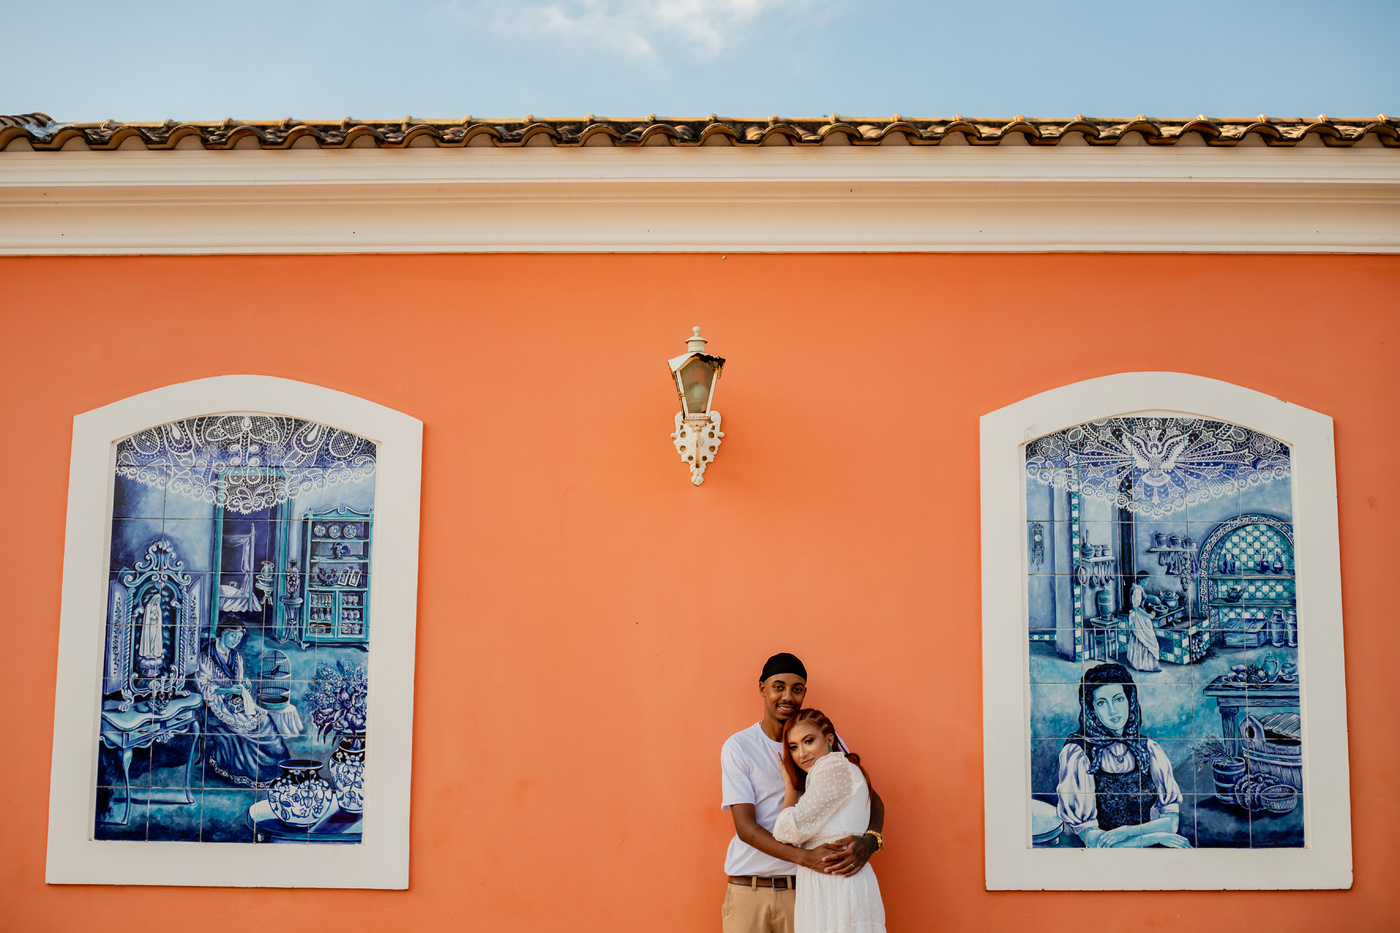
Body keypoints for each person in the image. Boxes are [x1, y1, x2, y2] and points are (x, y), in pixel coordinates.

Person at [720, 653, 884, 933]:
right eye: (778, 687)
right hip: (751, 888)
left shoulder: (822, 740)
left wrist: (871, 840)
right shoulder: (740, 746)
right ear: (762, 688)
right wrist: (806, 858)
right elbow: (745, 828)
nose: (787, 696)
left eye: (796, 689)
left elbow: (869, 796)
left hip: (806, 890)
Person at [774, 709, 886, 933]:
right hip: (833, 886)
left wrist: (789, 789)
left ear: (829, 739)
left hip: (838, 886)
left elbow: (786, 830)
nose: (802, 753)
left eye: (808, 741)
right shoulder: (840, 770)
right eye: (793, 747)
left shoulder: (832, 767)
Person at [1056, 662, 1190, 848]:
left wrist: (1127, 831)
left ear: (1130, 700)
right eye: (1102, 703)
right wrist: (1155, 837)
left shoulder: (1149, 749)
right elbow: (1095, 842)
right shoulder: (1078, 754)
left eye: (1118, 699)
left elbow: (1171, 822)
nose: (1112, 710)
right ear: (1091, 709)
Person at [195, 616, 291, 787]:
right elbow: (204, 687)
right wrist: (228, 690)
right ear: (223, 633)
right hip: (213, 704)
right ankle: (250, 771)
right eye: (233, 636)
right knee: (241, 731)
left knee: (265, 721)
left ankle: (276, 767)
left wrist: (242, 685)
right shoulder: (207, 655)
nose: (236, 641)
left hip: (233, 702)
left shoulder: (236, 656)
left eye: (239, 638)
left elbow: (237, 682)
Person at [1125, 570, 1162, 672]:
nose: (1148, 582)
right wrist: (1149, 615)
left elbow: (1141, 598)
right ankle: (1147, 665)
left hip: (1139, 616)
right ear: (1140, 580)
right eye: (1146, 580)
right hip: (1139, 617)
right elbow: (1136, 607)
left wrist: (1152, 598)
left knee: (1139, 638)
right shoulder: (1136, 590)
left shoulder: (1136, 587)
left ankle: (1137, 663)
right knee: (1146, 639)